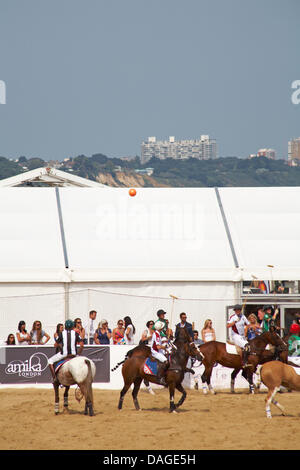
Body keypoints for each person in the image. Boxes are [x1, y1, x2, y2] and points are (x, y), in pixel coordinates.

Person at [48, 319, 84, 384]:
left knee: (50, 361)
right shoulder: (76, 333)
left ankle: (54, 378)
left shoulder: (61, 333)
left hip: (64, 354)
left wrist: (61, 347)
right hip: (74, 354)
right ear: (73, 326)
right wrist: (78, 354)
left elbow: (55, 345)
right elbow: (82, 345)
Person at [150, 320, 169, 385]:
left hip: (158, 350)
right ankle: (160, 378)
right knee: (166, 361)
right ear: (160, 328)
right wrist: (164, 347)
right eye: (162, 327)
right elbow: (158, 347)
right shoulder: (157, 335)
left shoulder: (157, 333)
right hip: (155, 352)